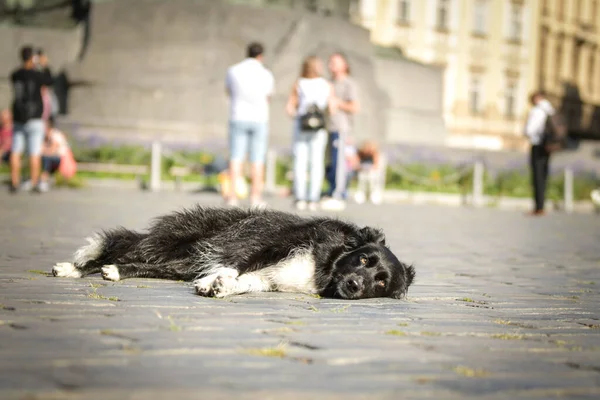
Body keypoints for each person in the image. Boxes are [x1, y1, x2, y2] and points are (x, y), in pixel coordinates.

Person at [225, 42, 275, 207]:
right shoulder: (266, 74)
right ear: (261, 56)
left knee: (236, 158)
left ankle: (232, 196)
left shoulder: (233, 70)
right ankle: (255, 197)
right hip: (259, 119)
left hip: (238, 116)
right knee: (257, 159)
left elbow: (228, 91)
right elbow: (268, 97)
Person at [286, 56, 335, 211]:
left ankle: (300, 197)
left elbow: (290, 107)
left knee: (300, 161)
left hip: (301, 125)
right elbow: (332, 108)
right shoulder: (326, 85)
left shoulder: (299, 83)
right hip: (318, 127)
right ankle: (313, 198)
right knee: (317, 162)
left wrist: (298, 114)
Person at [9, 45, 53, 193]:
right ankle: (34, 182)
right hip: (35, 118)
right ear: (32, 58)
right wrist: (44, 65)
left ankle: (15, 182)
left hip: (19, 118)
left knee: (16, 151)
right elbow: (49, 80)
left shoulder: (15, 74)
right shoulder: (36, 75)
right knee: (35, 152)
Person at [321, 52, 359, 211]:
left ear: (345, 65)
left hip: (341, 128)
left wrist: (337, 103)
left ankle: (339, 192)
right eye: (330, 62)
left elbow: (355, 107)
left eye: (336, 62)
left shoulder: (348, 84)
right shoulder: (327, 82)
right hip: (327, 127)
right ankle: (331, 189)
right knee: (329, 162)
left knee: (339, 163)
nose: (332, 65)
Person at [524, 91, 555, 216]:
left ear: (536, 99)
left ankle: (538, 207)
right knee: (544, 176)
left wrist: (526, 132)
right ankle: (541, 205)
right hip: (548, 145)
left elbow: (530, 130)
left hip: (538, 144)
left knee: (537, 176)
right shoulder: (550, 109)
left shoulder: (537, 111)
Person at [38, 117, 69, 192]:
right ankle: (36, 178)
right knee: (38, 157)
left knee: (46, 158)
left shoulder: (55, 135)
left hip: (61, 159)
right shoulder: (45, 135)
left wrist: (42, 150)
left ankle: (43, 180)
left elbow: (52, 151)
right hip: (52, 157)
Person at [354, 140, 385, 205]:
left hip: (373, 172)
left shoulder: (375, 153)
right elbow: (356, 164)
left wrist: (369, 168)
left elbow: (377, 166)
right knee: (362, 177)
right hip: (363, 171)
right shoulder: (360, 153)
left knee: (372, 178)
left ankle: (374, 194)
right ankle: (362, 193)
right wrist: (362, 167)